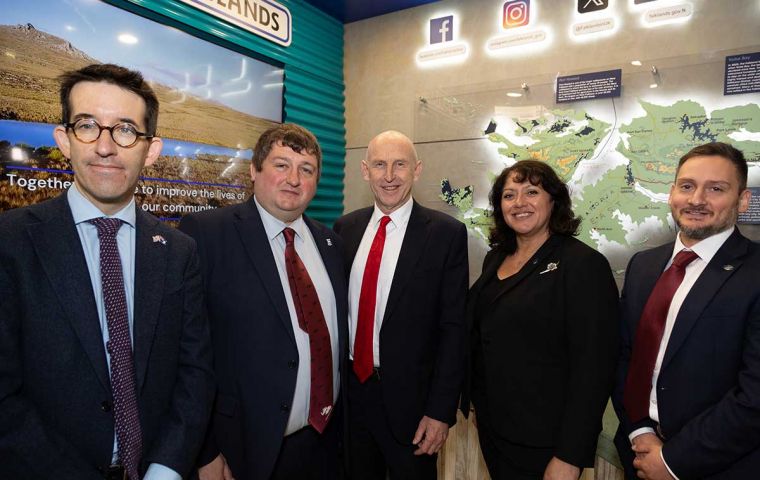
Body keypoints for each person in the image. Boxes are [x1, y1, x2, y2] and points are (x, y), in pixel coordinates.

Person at [0, 64, 214, 480]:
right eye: (87, 126)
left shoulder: (177, 251)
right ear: (63, 140)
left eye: (126, 130)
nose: (105, 146)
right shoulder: (10, 242)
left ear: (151, 150)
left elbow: (195, 374)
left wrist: (166, 468)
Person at [179, 123, 347, 480]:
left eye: (307, 170)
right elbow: (185, 351)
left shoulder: (331, 244)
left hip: (324, 443)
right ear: (254, 170)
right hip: (241, 449)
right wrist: (204, 451)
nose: (294, 179)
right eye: (281, 165)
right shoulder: (207, 234)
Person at [460, 160, 619, 480]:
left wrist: (570, 455)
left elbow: (594, 369)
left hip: (548, 442)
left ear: (554, 200)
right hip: (496, 430)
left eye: (531, 192)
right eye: (509, 195)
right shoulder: (496, 258)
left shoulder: (583, 265)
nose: (519, 203)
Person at [613, 142, 760, 479]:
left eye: (716, 189)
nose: (696, 200)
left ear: (743, 201)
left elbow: (754, 397)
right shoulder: (644, 266)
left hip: (723, 466)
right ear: (671, 194)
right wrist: (639, 431)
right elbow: (625, 357)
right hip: (639, 455)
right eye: (687, 186)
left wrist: (672, 460)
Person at [332, 130, 468, 479]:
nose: (389, 175)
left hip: (414, 408)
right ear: (365, 171)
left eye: (399, 165)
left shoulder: (446, 234)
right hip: (351, 397)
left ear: (417, 170)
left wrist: (440, 411)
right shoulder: (344, 229)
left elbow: (454, 329)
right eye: (379, 164)